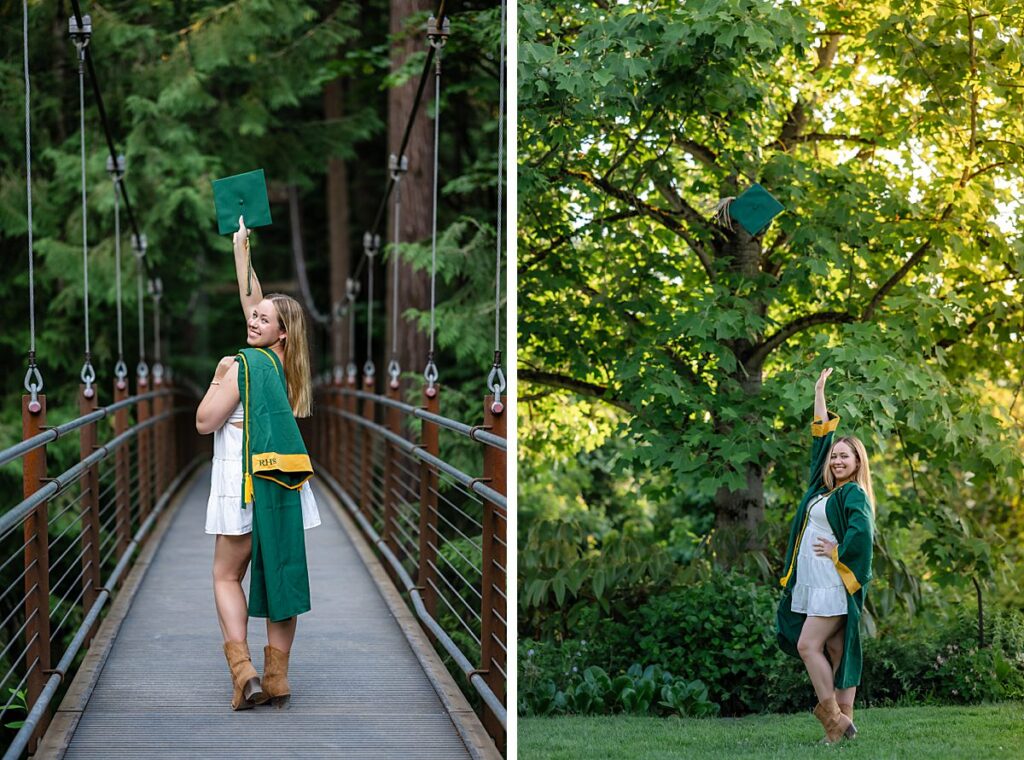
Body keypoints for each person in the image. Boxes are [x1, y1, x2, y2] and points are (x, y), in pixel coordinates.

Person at [195, 215, 321, 710]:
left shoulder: (241, 365)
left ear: (280, 334)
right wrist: (241, 248)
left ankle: (243, 671)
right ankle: (277, 679)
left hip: (240, 485)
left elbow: (206, 422)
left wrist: (217, 375)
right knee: (279, 573)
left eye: (264, 321)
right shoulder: (288, 370)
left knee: (227, 575)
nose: (253, 320)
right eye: (255, 315)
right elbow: (256, 301)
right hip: (282, 485)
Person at [775, 367, 875, 743]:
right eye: (834, 456)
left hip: (833, 582)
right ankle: (840, 732)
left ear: (857, 462)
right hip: (814, 583)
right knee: (835, 648)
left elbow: (862, 533)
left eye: (844, 457)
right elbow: (820, 435)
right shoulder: (823, 487)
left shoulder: (852, 494)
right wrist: (819, 391)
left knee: (807, 645)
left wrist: (837, 552)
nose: (836, 461)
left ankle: (835, 720)